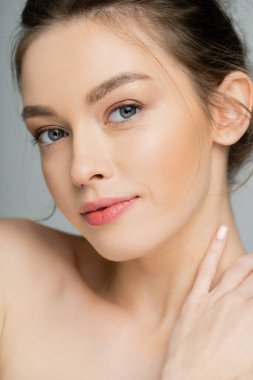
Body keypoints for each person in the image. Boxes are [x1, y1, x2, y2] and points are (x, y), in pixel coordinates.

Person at [0, 0, 253, 378]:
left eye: (125, 110)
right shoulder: (11, 275)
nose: (81, 168)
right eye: (52, 133)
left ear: (228, 109)